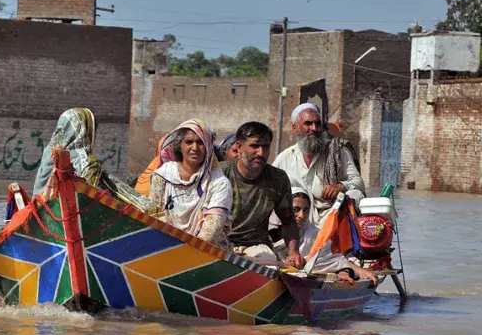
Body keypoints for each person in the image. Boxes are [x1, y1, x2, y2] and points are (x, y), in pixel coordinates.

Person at [32, 108, 155, 214]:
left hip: (42, 213)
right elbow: (89, 200)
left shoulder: (48, 152)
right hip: (73, 217)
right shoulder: (86, 161)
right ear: (85, 132)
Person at [220, 122, 305, 268]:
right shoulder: (220, 173)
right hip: (220, 241)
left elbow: (289, 221)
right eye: (254, 146)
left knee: (269, 270)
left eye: (265, 147)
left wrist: (293, 252)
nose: (261, 153)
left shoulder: (278, 178)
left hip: (255, 246)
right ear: (239, 147)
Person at [273, 103, 365, 227]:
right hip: (298, 220)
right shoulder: (285, 158)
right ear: (295, 128)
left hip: (333, 215)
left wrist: (340, 186)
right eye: (308, 124)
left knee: (355, 195)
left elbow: (358, 182)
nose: (314, 128)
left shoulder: (337, 151)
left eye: (317, 124)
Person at [148, 119, 233, 250]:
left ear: (209, 147)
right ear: (179, 146)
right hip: (163, 246)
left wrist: (183, 252)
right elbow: (153, 216)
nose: (194, 148)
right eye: (189, 142)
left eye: (200, 142)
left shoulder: (219, 183)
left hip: (205, 252)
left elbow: (211, 232)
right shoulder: (162, 176)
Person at [289, 187, 377, 285]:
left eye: (305, 210)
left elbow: (335, 261)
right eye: (295, 209)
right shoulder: (270, 232)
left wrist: (345, 272)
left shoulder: (316, 236)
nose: (301, 215)